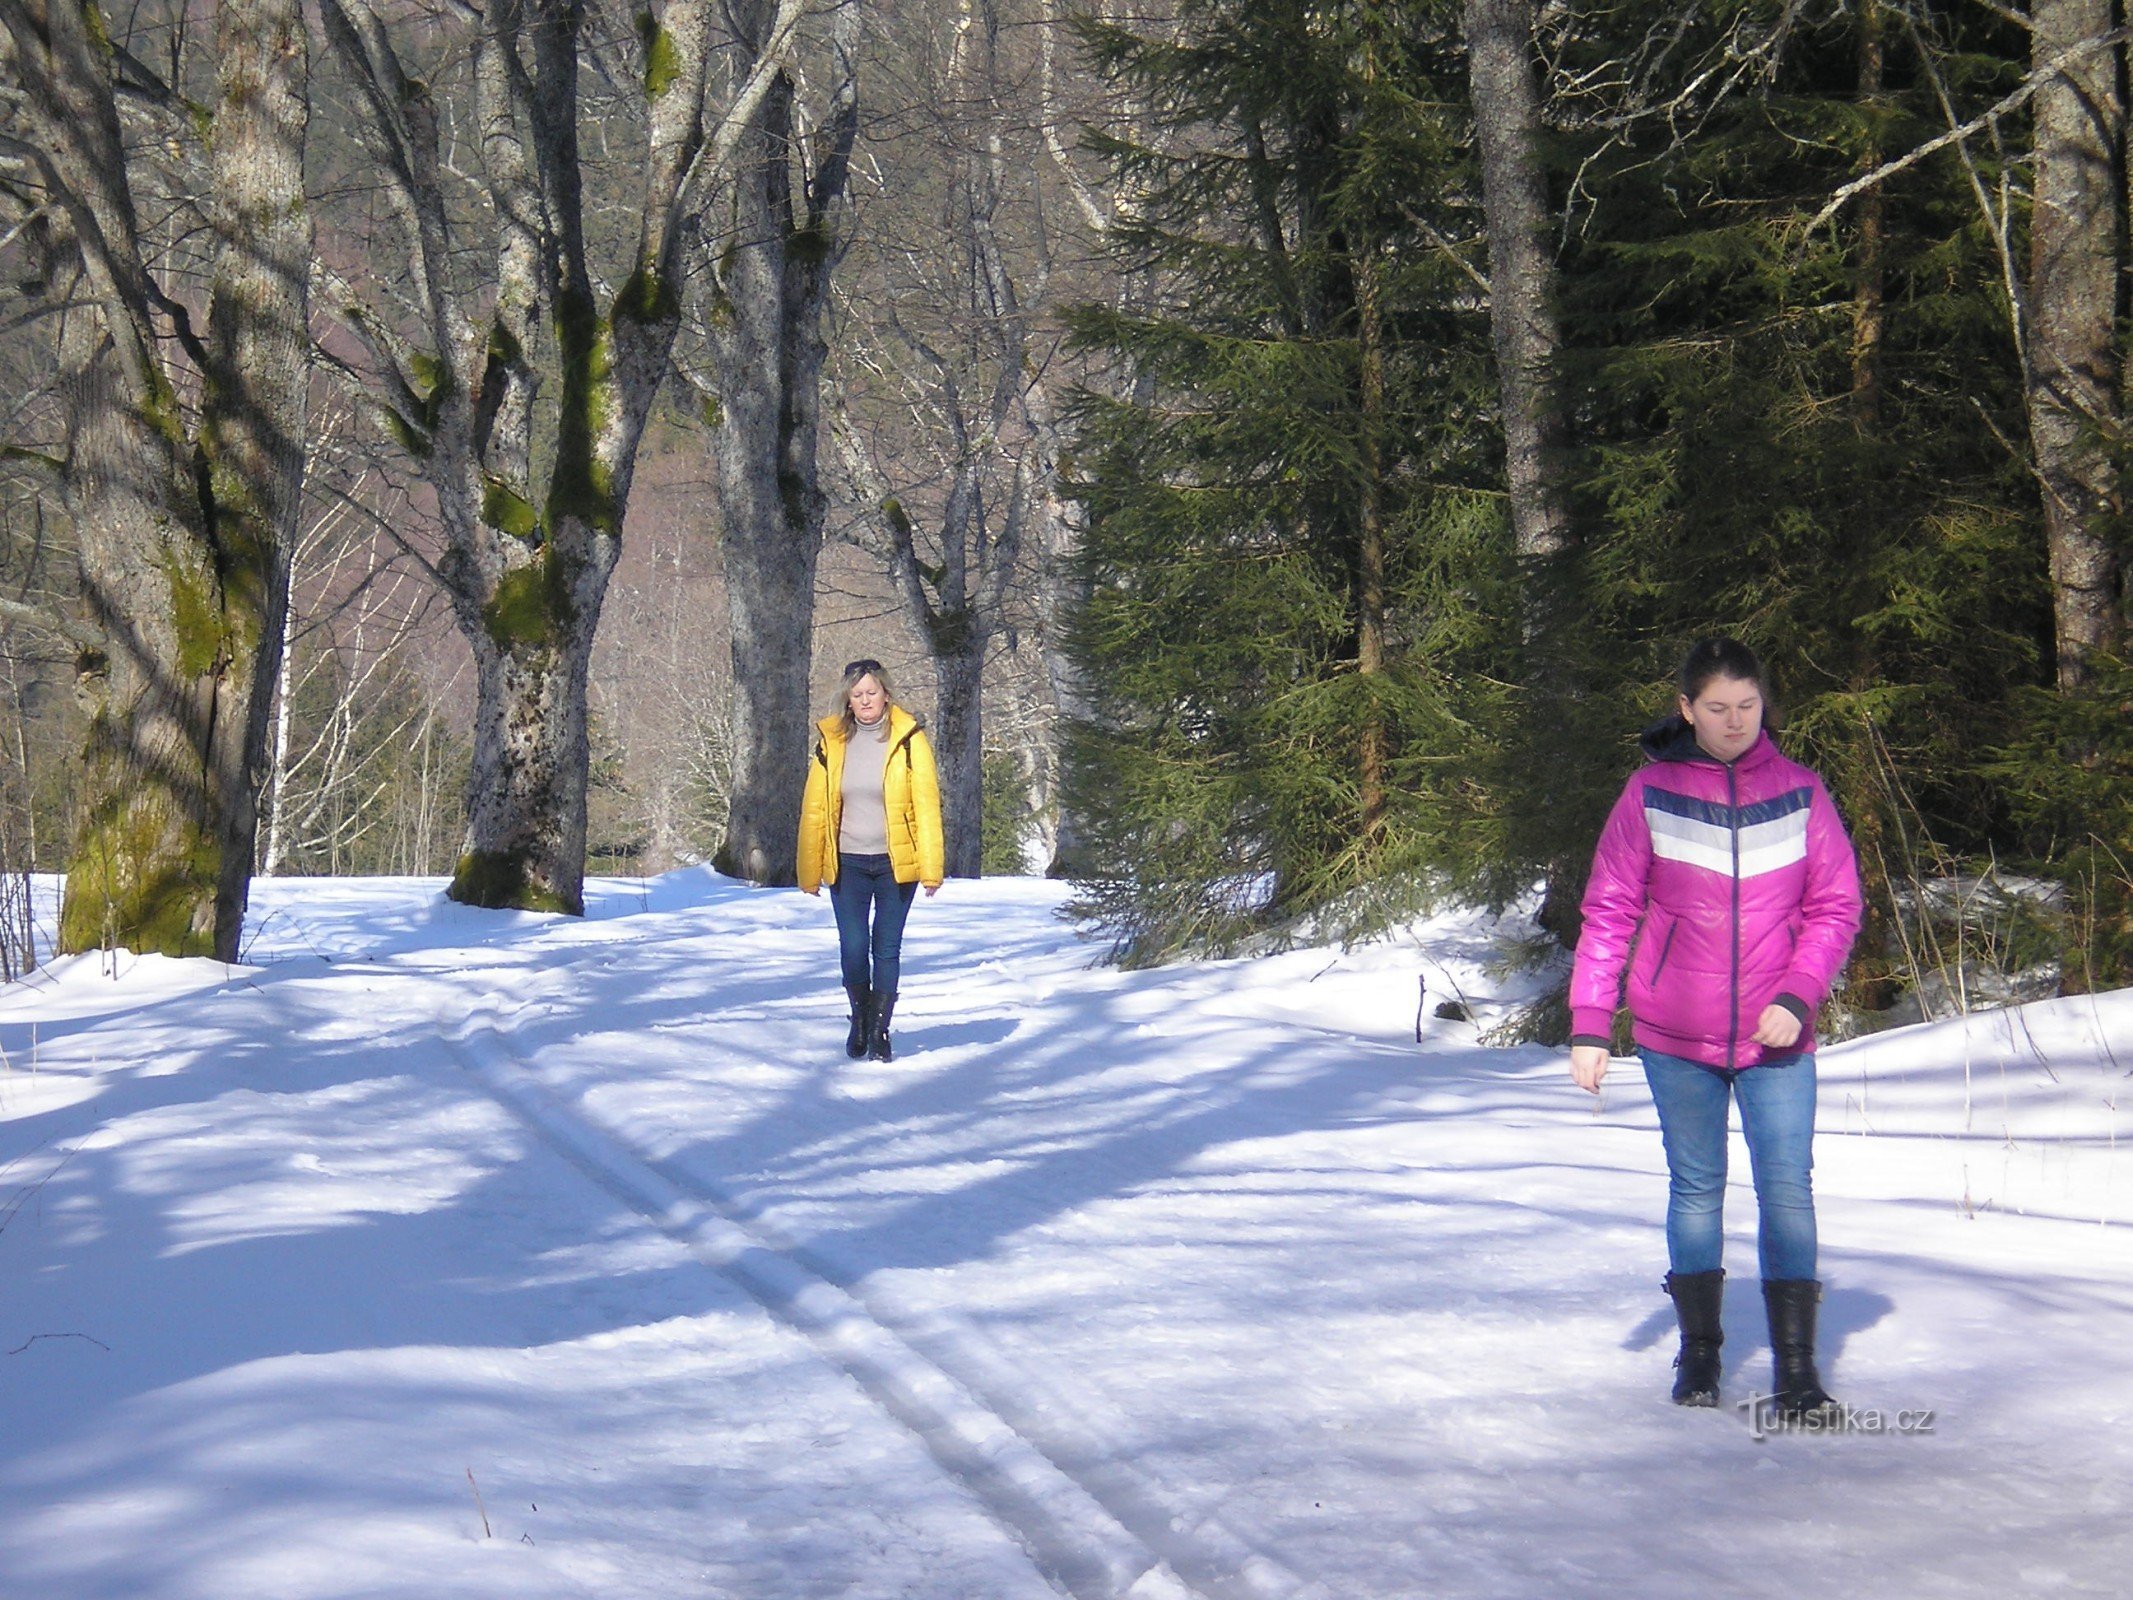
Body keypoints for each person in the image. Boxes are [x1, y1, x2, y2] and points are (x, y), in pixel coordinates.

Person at [1567, 637, 1863, 1418]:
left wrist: (1798, 996)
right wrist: (1591, 1022)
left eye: (1748, 707)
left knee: (1786, 1192)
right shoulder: (1649, 794)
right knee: (1696, 1190)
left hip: (1776, 1039)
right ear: (1686, 709)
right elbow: (1608, 911)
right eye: (1717, 709)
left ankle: (1796, 1368)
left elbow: (1835, 907)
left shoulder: (1801, 794)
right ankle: (1699, 1355)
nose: (1735, 723)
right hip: (1674, 1035)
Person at [797, 659, 945, 1062]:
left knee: (887, 948)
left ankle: (879, 1029)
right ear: (848, 698)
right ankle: (859, 1020)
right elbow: (815, 809)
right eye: (857, 694)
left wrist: (931, 868)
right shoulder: (832, 742)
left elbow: (927, 806)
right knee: (852, 947)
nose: (865, 700)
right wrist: (809, 870)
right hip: (847, 863)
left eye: (871, 693)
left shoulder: (908, 739)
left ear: (886, 694)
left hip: (896, 863)